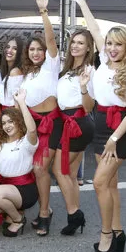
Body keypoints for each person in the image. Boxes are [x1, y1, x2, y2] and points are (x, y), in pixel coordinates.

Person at [77, 0, 126, 252]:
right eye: (110, 44)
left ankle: (106, 235)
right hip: (100, 126)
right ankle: (119, 232)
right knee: (111, 185)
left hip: (121, 131)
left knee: (99, 183)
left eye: (119, 44)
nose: (113, 48)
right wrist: (82, 4)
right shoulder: (104, 62)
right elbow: (94, 29)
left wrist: (114, 138)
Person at [21, 0, 60, 236]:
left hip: (51, 125)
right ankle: (43, 209)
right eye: (32, 49)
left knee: (40, 169)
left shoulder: (51, 66)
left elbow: (51, 40)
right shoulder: (27, 74)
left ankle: (45, 213)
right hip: (31, 126)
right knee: (35, 170)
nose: (36, 52)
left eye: (39, 49)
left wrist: (43, 12)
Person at [53, 27, 96, 238]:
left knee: (58, 169)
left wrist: (84, 87)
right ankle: (75, 214)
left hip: (77, 122)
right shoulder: (68, 68)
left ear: (88, 48)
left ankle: (74, 213)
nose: (75, 46)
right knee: (69, 173)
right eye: (74, 42)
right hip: (67, 122)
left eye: (80, 43)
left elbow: (89, 106)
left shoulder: (89, 70)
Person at [0, 90, 39, 237]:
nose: (7, 126)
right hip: (5, 188)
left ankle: (18, 219)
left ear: (19, 122)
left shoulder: (26, 142)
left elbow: (32, 129)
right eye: (4, 123)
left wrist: (22, 103)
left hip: (25, 190)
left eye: (11, 121)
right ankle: (10, 211)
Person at [0, 37, 24, 109]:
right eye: (8, 47)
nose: (9, 50)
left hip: (11, 113)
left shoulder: (15, 72)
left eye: (15, 49)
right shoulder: (8, 71)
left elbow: (17, 102)